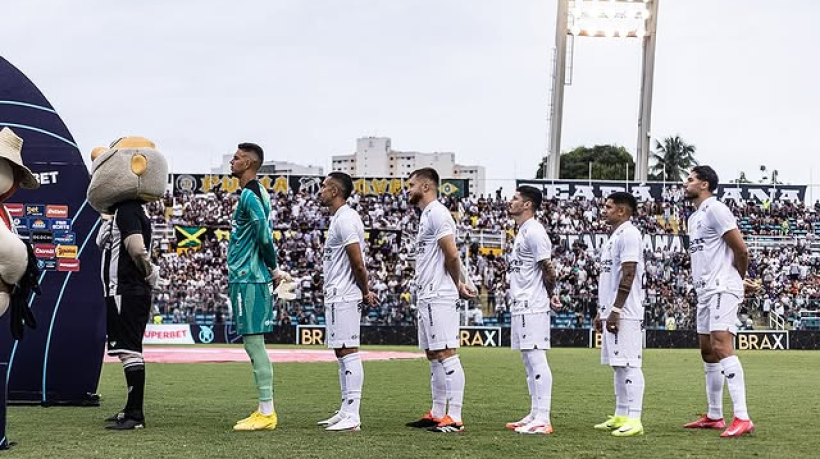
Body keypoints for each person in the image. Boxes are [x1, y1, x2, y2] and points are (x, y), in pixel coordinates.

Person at [682, 165, 757, 438]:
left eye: (690, 179)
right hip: (704, 290)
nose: (685, 183)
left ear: (704, 184)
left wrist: (738, 279)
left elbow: (741, 249)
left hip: (721, 287)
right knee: (707, 350)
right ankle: (714, 415)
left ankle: (742, 416)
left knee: (721, 345)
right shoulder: (693, 218)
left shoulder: (716, 208)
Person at [404, 168, 476, 433]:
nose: (408, 189)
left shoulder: (438, 213)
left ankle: (454, 417)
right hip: (427, 294)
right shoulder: (426, 216)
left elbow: (452, 254)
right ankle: (437, 412)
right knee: (433, 354)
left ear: (425, 186)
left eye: (411, 185)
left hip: (439, 294)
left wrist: (456, 285)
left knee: (447, 353)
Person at [316, 172, 378, 432]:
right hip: (336, 293)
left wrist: (365, 291)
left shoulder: (347, 220)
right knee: (341, 352)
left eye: (323, 187)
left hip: (345, 294)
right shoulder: (339, 219)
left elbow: (358, 262)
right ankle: (345, 410)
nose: (319, 191)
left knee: (349, 350)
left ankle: (353, 415)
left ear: (335, 191)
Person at [227, 142, 282, 431]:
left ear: (248, 163)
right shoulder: (253, 193)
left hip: (250, 277)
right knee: (252, 344)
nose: (231, 161)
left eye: (236, 158)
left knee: (254, 344)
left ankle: (267, 412)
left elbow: (263, 236)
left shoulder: (251, 195)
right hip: (245, 277)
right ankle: (264, 409)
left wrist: (274, 269)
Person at [504, 186, 560, 435]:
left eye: (515, 198)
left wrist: (550, 295)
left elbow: (548, 268)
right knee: (528, 361)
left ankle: (544, 418)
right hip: (521, 304)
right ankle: (535, 413)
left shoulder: (535, 231)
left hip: (533, 305)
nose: (510, 201)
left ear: (527, 204)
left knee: (537, 358)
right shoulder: (522, 231)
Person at [592, 192, 646, 437]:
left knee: (630, 364)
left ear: (622, 211)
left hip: (626, 311)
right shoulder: (614, 237)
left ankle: (635, 418)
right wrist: (602, 311)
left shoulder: (630, 234)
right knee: (618, 365)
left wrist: (616, 310)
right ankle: (621, 414)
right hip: (611, 310)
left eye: (609, 206)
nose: (604, 210)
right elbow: (609, 278)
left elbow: (628, 274)